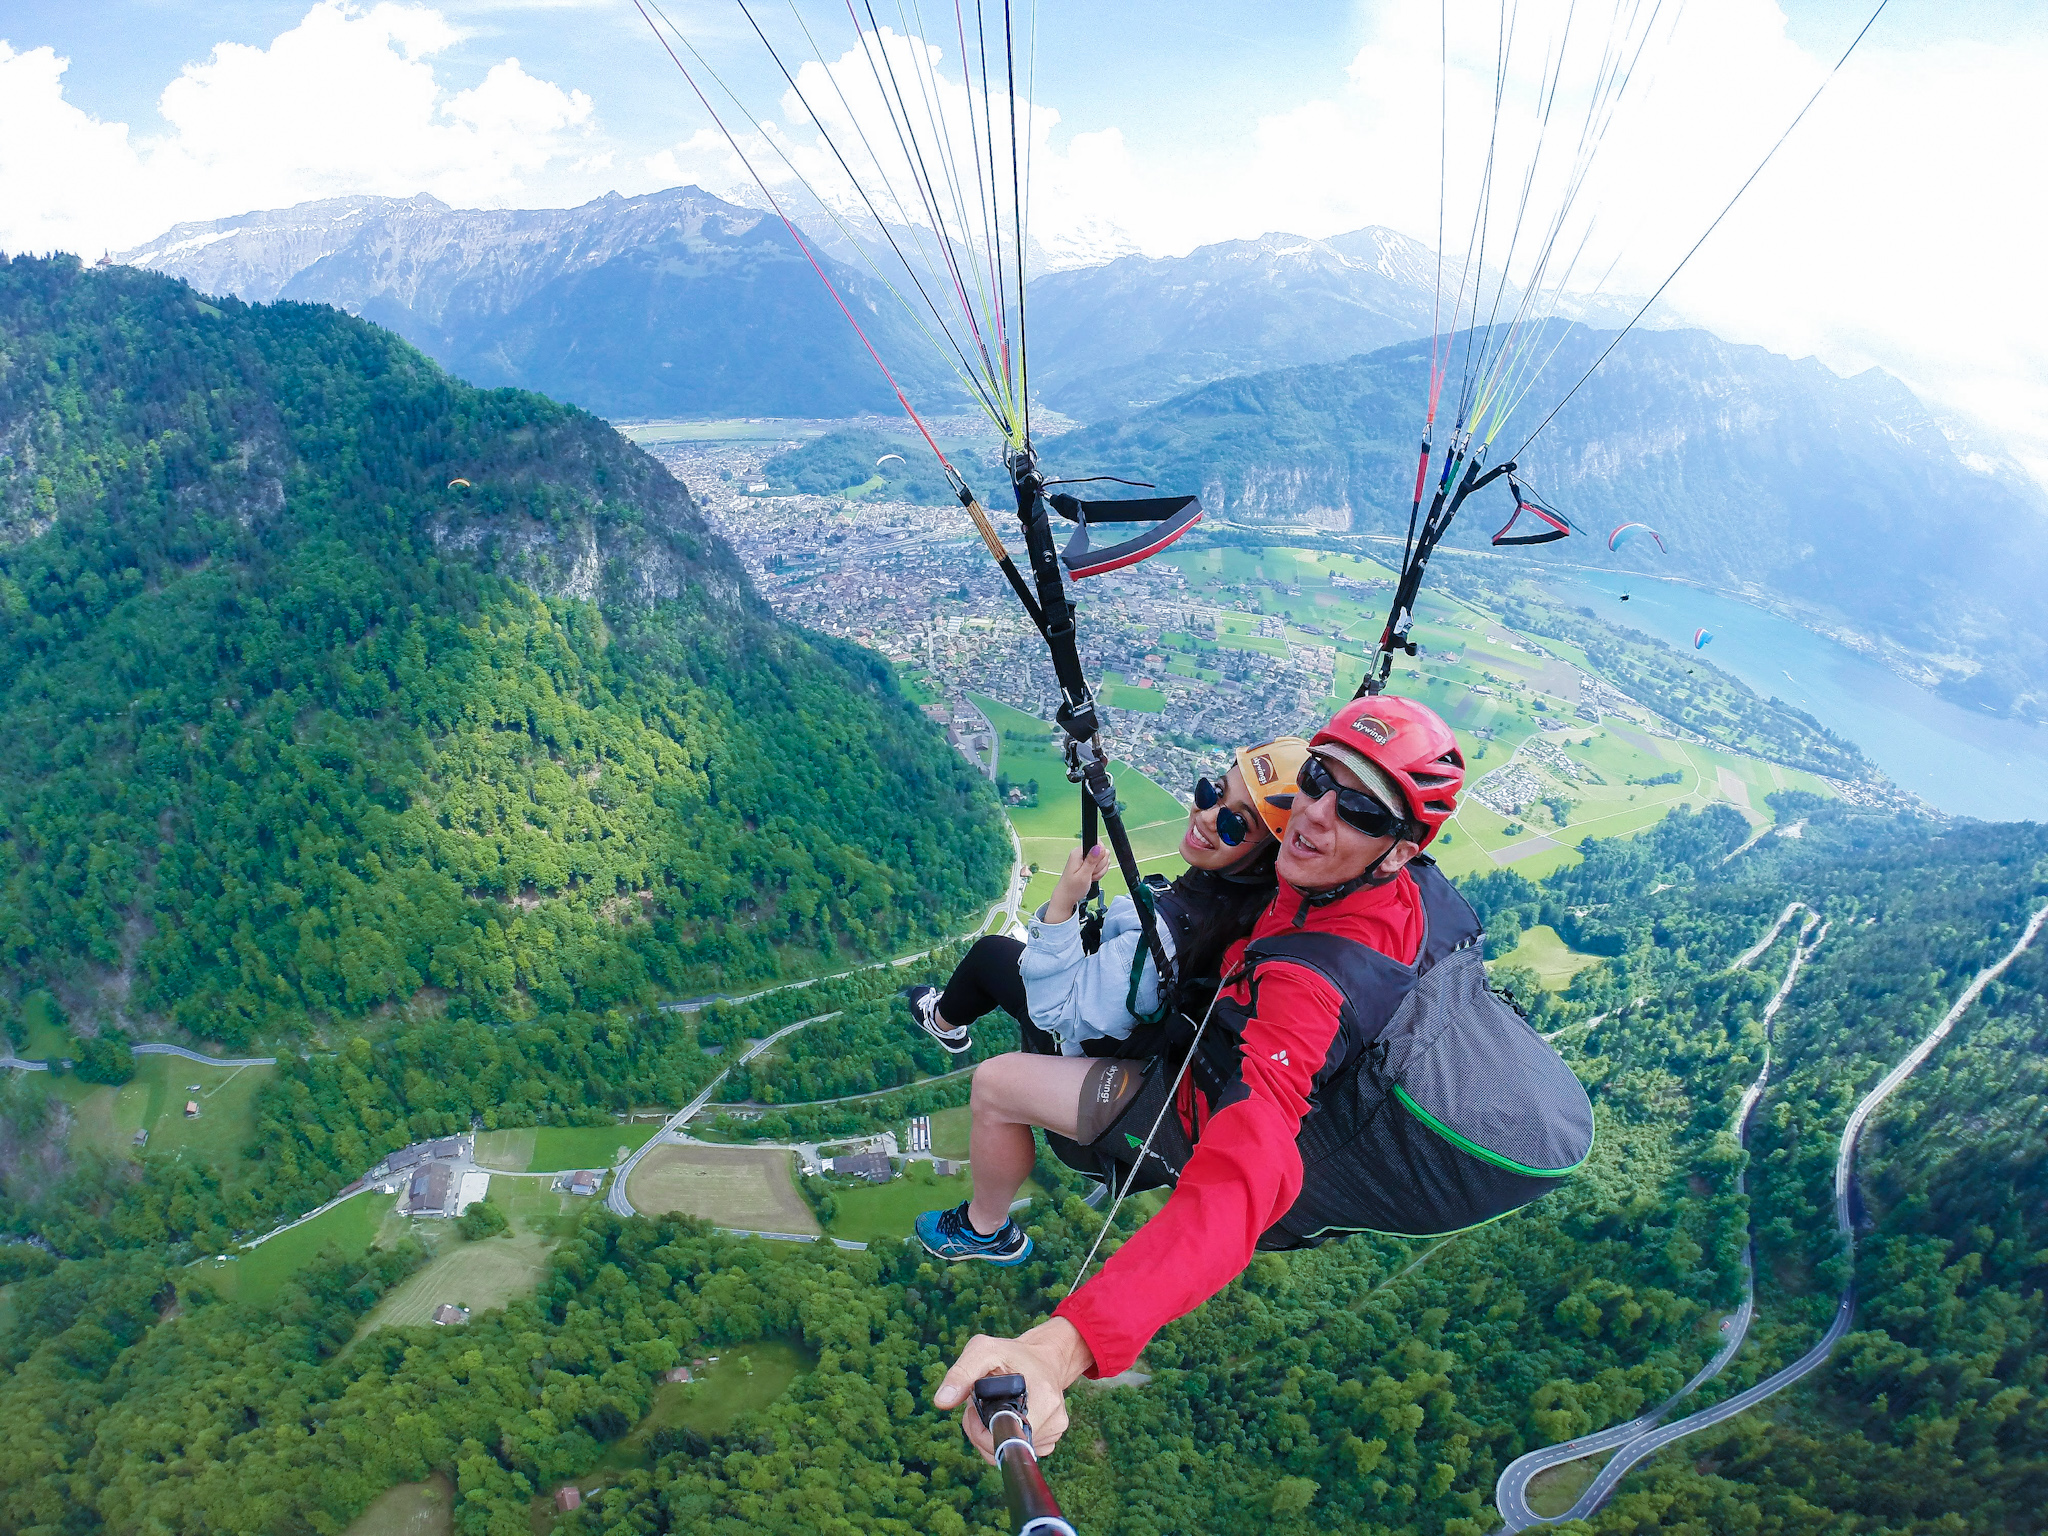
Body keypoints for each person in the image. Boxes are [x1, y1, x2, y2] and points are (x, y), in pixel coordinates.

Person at [930, 694, 1472, 1461]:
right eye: (1318, 780)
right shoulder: (1354, 883)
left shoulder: (1312, 987)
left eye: (1360, 811)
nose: (1318, 815)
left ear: (1401, 851)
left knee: (997, 1082)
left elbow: (1240, 1185)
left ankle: (987, 1229)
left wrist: (1064, 1346)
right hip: (1198, 1050)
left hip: (1182, 1110)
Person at [903, 738, 1309, 1266]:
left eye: (1236, 825)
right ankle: (944, 1019)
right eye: (1212, 792)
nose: (1208, 816)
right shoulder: (1256, 905)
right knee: (990, 957)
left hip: (1115, 1093)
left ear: (1263, 858)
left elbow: (1056, 1009)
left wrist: (1065, 905)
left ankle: (985, 1228)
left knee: (994, 1085)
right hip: (1146, 1047)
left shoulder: (1173, 934)